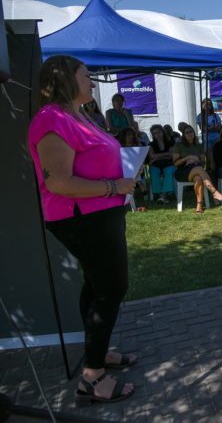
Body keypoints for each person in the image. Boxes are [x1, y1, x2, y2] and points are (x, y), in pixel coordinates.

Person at [28, 55, 137, 405]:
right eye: (87, 75)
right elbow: (59, 181)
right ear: (65, 78)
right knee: (111, 287)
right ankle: (92, 379)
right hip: (81, 217)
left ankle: (98, 352)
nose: (93, 81)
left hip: (100, 214)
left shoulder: (79, 116)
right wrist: (113, 187)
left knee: (97, 284)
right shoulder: (51, 119)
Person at [172, 125, 222, 213]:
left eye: (191, 131)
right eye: (187, 132)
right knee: (199, 169)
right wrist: (187, 158)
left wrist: (196, 160)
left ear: (194, 133)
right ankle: (214, 192)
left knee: (198, 178)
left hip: (196, 169)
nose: (190, 134)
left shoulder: (199, 146)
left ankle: (199, 205)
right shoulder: (179, 145)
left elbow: (203, 163)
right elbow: (176, 163)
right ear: (183, 135)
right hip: (182, 171)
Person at [148, 124, 176, 204]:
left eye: (159, 132)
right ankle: (161, 195)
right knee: (153, 171)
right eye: (155, 133)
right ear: (153, 135)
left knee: (169, 171)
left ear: (162, 132)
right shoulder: (151, 144)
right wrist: (165, 155)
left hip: (169, 164)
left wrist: (156, 157)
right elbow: (151, 155)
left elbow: (171, 155)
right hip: (156, 165)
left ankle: (162, 196)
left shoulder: (170, 142)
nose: (158, 134)